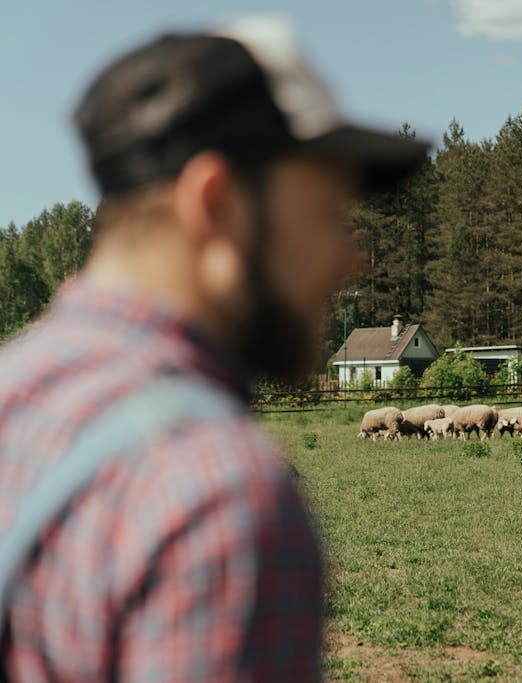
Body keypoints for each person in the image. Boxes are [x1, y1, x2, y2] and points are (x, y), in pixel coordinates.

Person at [0, 17, 428, 681]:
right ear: (217, 202)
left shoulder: (16, 395)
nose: (351, 257)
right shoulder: (218, 501)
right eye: (324, 212)